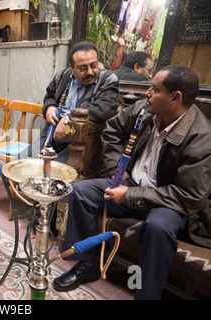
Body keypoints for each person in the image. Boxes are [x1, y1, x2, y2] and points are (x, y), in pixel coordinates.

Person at [53, 66, 211, 299]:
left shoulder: (201, 138)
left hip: (168, 202)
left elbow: (189, 196)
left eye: (155, 89)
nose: (147, 93)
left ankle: (147, 295)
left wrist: (129, 196)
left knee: (158, 228)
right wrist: (119, 167)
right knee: (79, 191)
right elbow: (112, 131)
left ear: (175, 98)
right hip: (131, 184)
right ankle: (87, 265)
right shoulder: (144, 111)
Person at [19, 41, 119, 163]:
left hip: (80, 143)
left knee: (52, 175)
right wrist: (50, 107)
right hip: (52, 135)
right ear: (71, 68)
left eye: (93, 65)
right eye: (83, 68)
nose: (90, 72)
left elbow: (104, 108)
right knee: (19, 164)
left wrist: (68, 120)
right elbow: (49, 96)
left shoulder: (108, 79)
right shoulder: (62, 75)